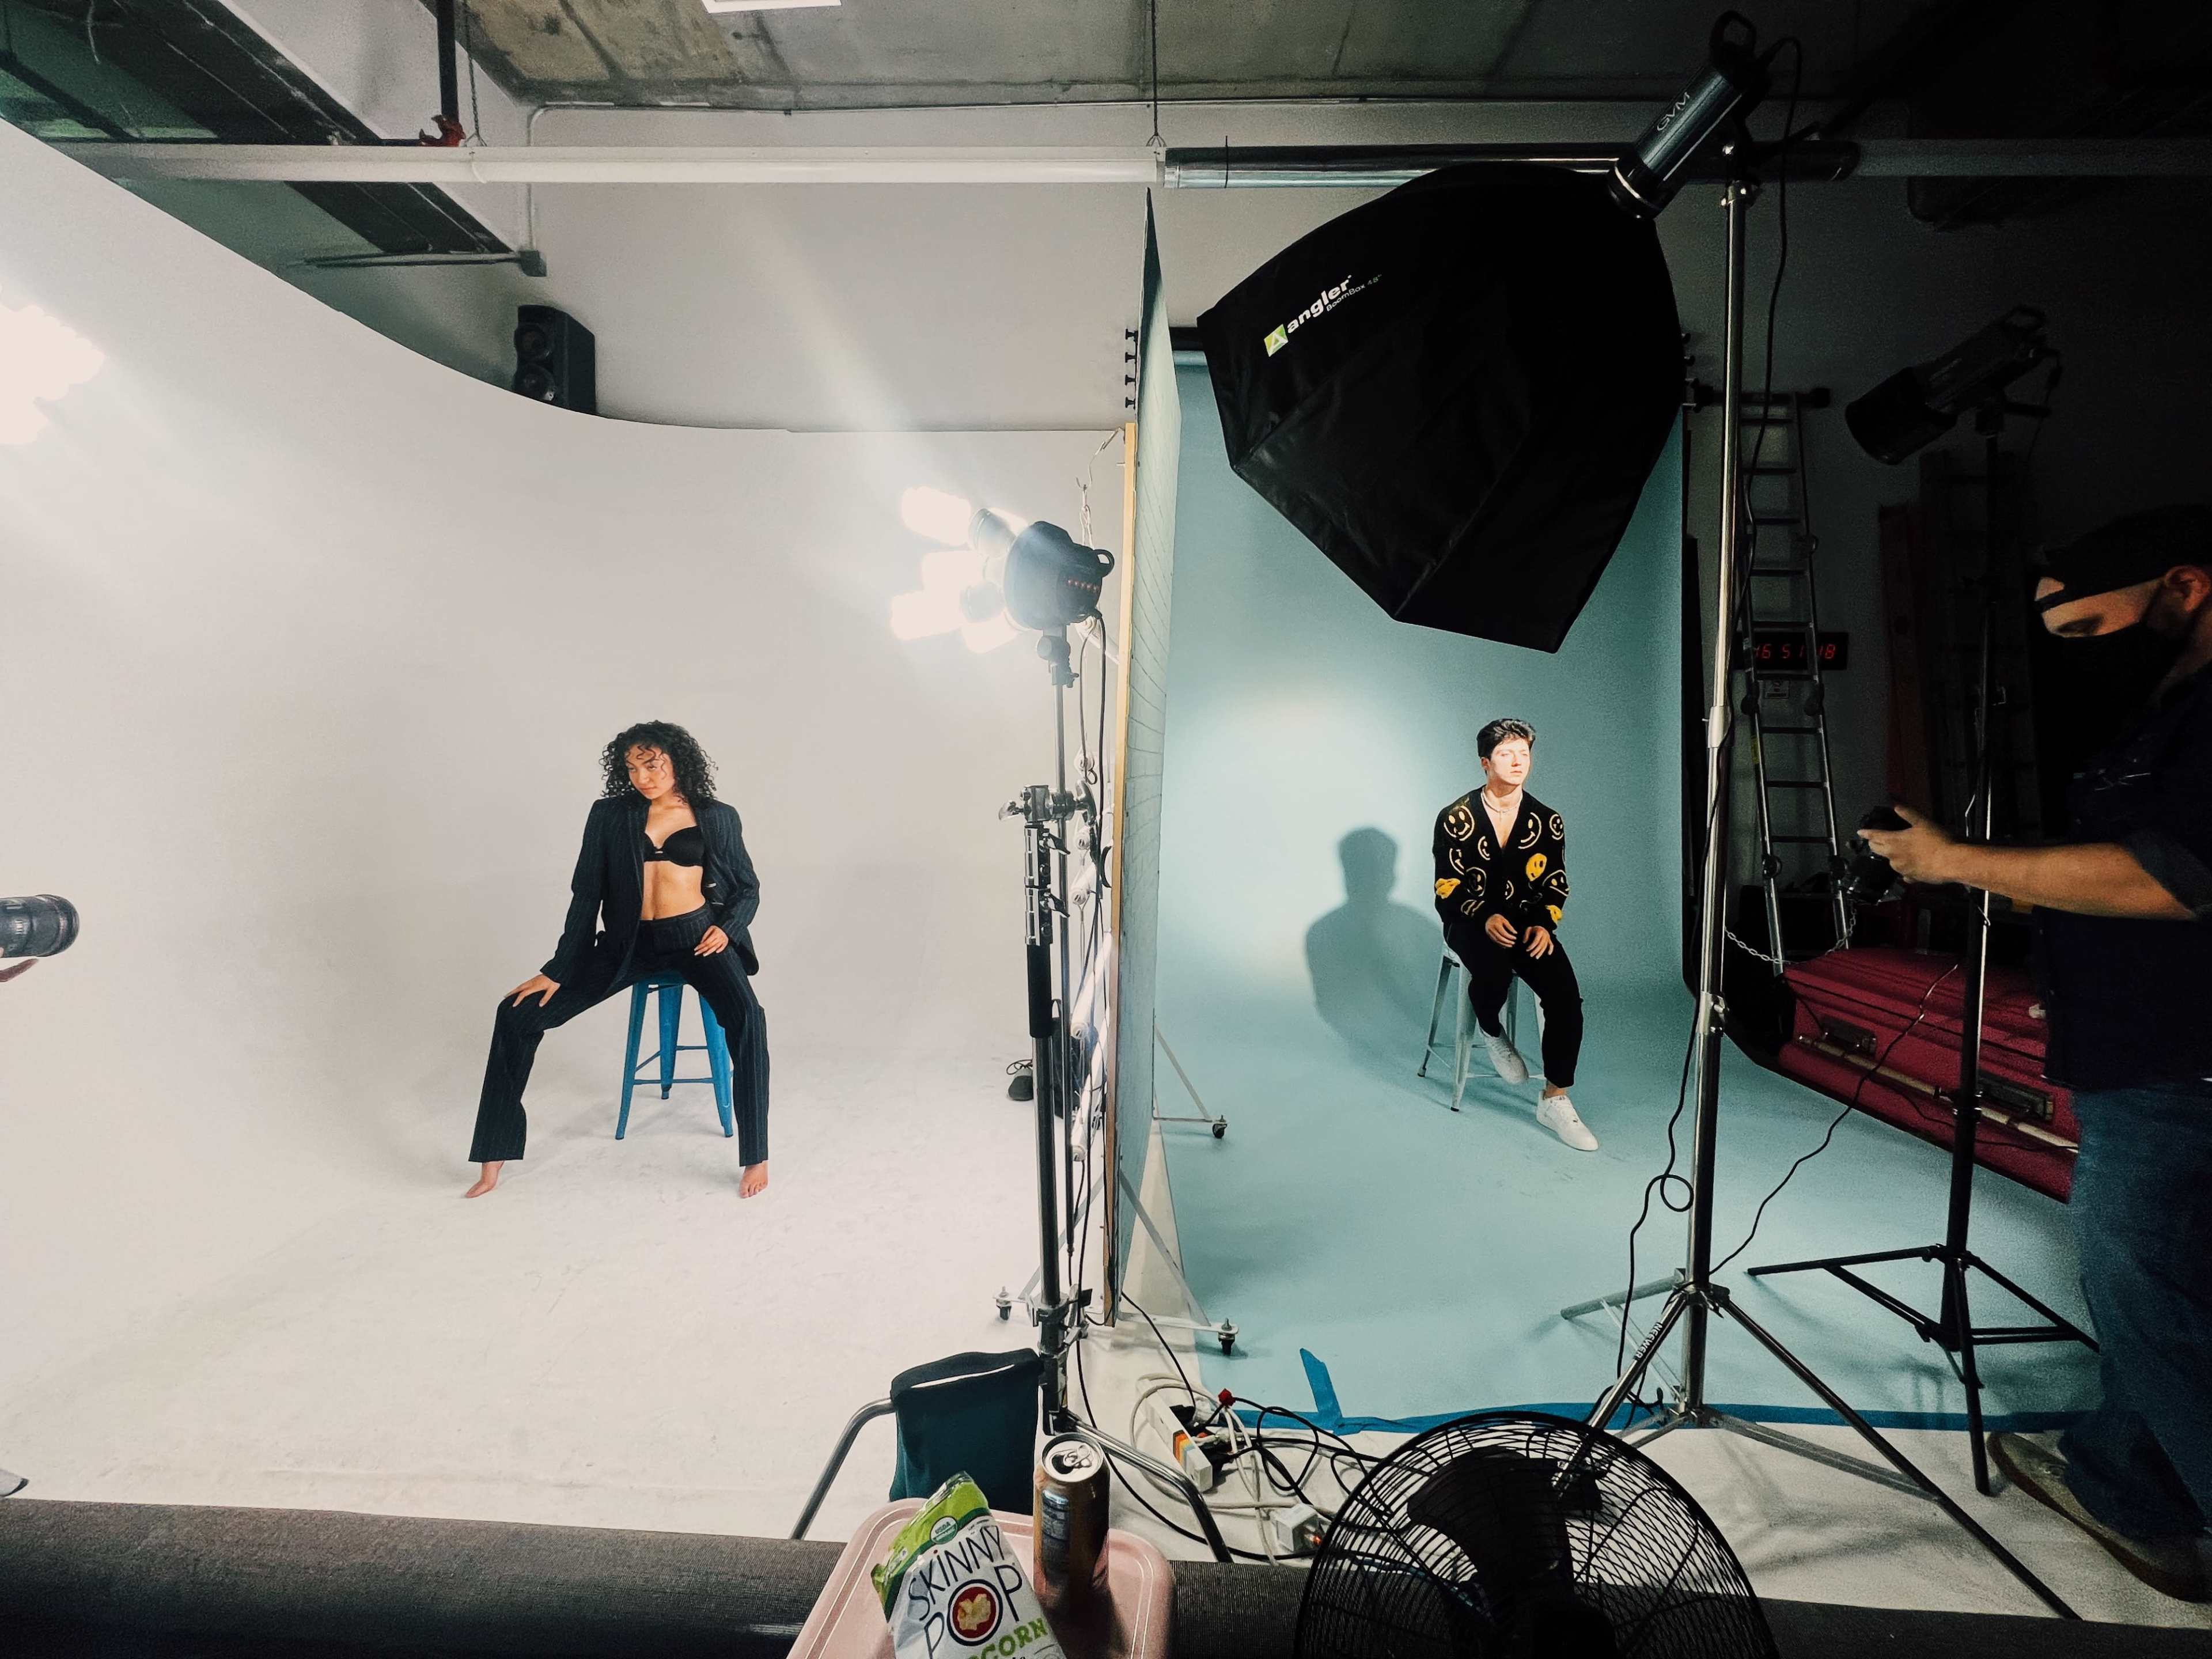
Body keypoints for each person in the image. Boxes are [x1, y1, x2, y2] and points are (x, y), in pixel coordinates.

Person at [1864, 504, 2212, 1603]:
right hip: (2141, 1055)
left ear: (2186, 585)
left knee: (2150, 1298)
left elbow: (2174, 877)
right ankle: (2124, 1486)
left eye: (2087, 628)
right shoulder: (2173, 702)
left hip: (2179, 1066)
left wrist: (1958, 860)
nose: (2078, 655)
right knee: (2166, 1286)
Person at [465, 721, 770, 1201]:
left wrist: (725, 930)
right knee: (517, 1014)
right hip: (627, 946)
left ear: (678, 761)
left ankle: (756, 1156)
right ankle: (493, 1159)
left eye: (652, 765)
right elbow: (586, 895)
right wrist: (559, 969)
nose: (642, 777)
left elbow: (748, 888)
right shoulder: (609, 816)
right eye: (632, 768)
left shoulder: (717, 815)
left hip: (697, 939)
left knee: (749, 1019)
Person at [1433, 718, 1594, 1151]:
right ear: (1486, 763)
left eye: (1524, 753)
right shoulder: (1456, 817)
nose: (1518, 761)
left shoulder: (1547, 820)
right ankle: (1490, 1026)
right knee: (1493, 968)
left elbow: (1556, 880)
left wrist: (1544, 922)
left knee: (1564, 996)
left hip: (1527, 921)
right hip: (1468, 920)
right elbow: (1447, 884)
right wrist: (1483, 915)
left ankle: (1555, 1098)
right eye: (1507, 754)